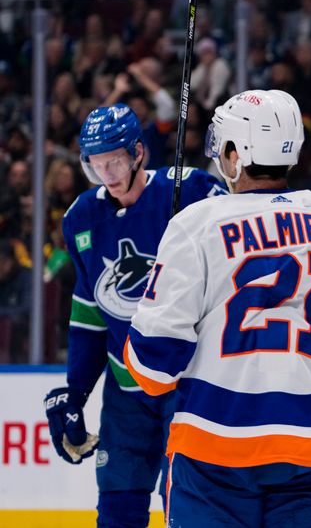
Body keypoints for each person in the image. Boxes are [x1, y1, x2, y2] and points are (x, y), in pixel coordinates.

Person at [123, 90, 311, 527]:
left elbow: (153, 371)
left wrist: (165, 310)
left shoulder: (196, 225)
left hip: (216, 452)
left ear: (234, 154)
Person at [42, 104, 226, 528]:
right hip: (126, 388)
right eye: (97, 164)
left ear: (138, 152)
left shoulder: (192, 192)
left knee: (187, 505)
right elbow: (90, 317)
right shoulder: (81, 218)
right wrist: (76, 393)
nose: (107, 173)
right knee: (117, 505)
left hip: (189, 383)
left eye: (116, 161)